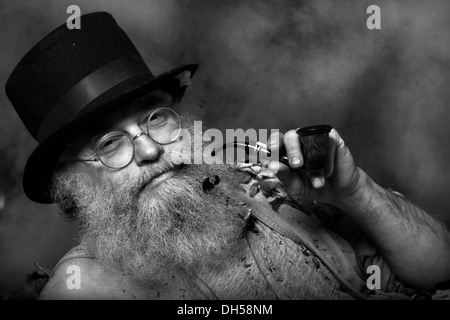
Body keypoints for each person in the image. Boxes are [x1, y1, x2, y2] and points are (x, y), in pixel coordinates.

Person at [5, 12, 450, 300]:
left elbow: (438, 270)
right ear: (73, 184)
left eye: (157, 118)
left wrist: (357, 193)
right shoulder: (86, 290)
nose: (149, 148)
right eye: (110, 143)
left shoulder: (273, 192)